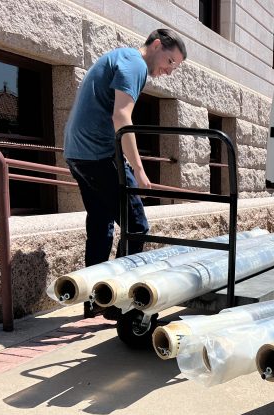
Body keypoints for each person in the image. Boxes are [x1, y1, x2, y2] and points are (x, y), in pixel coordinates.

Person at [64, 29, 186, 317]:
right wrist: (140, 171)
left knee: (101, 224)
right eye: (170, 61)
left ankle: (93, 300)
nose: (168, 71)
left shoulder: (120, 58)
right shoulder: (135, 64)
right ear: (156, 45)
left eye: (174, 67)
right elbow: (122, 116)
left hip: (77, 153)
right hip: (98, 153)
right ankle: (117, 303)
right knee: (136, 225)